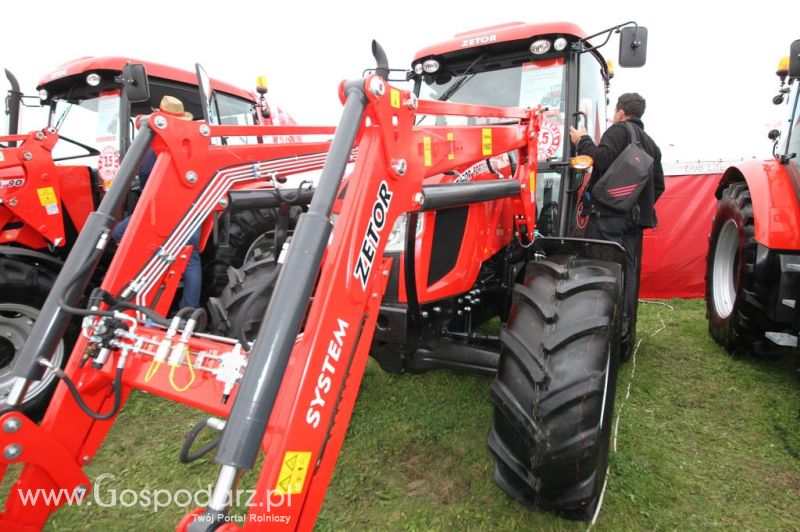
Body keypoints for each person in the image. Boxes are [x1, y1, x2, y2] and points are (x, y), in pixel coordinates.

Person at [569, 93, 664, 339]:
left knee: (599, 270)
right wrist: (632, 204)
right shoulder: (652, 145)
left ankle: (596, 333)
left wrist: (583, 140)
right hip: (633, 222)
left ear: (621, 112)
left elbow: (600, 159)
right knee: (628, 274)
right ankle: (622, 331)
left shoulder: (619, 130)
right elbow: (659, 186)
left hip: (607, 218)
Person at [112, 95, 202, 310]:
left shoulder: (158, 144)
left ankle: (142, 292)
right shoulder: (191, 143)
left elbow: (144, 173)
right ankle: (188, 310)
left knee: (119, 234)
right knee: (191, 257)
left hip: (164, 207)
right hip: (193, 206)